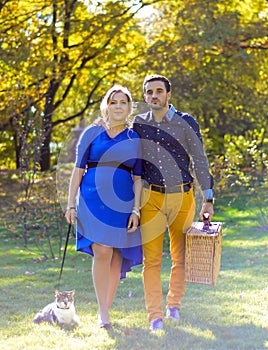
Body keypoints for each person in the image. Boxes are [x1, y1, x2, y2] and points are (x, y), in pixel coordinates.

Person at [132, 74, 214, 332]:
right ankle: (155, 316)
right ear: (145, 97)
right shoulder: (138, 124)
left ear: (169, 94)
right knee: (152, 260)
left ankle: (174, 307)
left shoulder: (186, 122)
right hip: (151, 198)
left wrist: (208, 198)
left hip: (183, 197)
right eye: (149, 92)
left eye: (159, 91)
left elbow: (199, 160)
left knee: (181, 258)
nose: (154, 96)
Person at [65, 85, 143, 330]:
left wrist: (136, 210)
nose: (118, 106)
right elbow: (77, 170)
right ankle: (103, 313)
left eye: (123, 102)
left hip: (122, 201)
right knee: (102, 252)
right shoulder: (91, 132)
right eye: (113, 102)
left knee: (116, 256)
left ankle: (105, 312)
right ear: (106, 105)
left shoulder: (134, 138)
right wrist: (70, 204)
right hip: (92, 199)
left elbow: (139, 178)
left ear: (129, 107)